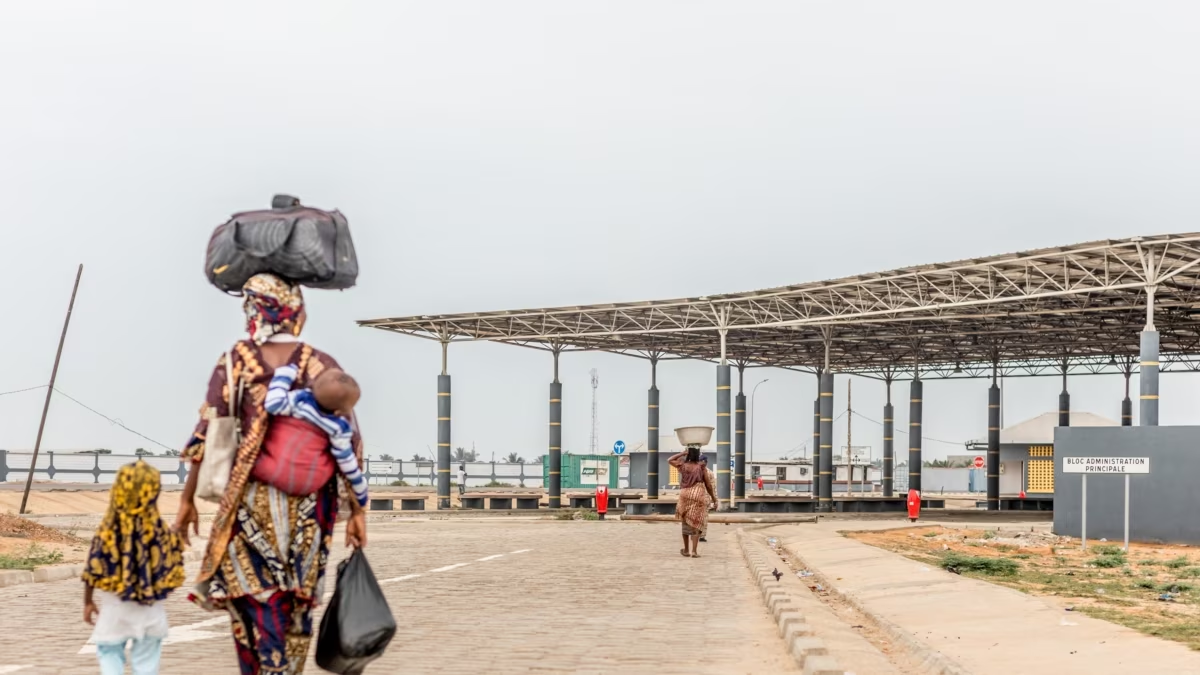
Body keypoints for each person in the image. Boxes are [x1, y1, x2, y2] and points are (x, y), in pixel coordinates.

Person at [173, 273, 367, 675]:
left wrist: (186, 500)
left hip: (249, 504)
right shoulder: (322, 364)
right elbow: (351, 440)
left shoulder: (235, 360)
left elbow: (208, 431)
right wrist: (359, 511)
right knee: (296, 605)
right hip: (312, 509)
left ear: (255, 309)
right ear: (295, 312)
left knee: (252, 599)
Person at [82, 460, 185, 675]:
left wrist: (88, 601)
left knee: (110, 655)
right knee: (146, 665)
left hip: (114, 612)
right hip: (150, 612)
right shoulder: (161, 532)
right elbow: (174, 573)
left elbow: (92, 570)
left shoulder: (108, 531)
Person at [264, 364, 369, 509]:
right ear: (340, 412)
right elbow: (348, 464)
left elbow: (273, 404)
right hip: (308, 482)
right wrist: (361, 492)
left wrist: (285, 375)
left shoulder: (300, 400)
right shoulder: (339, 427)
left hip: (271, 470)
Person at [668, 447, 717, 557]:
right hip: (698, 494)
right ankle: (694, 551)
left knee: (685, 522)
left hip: (684, 494)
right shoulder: (701, 467)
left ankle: (686, 550)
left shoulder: (683, 466)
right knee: (697, 522)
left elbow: (670, 460)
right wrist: (714, 499)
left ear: (688, 455)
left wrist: (682, 453)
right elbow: (708, 485)